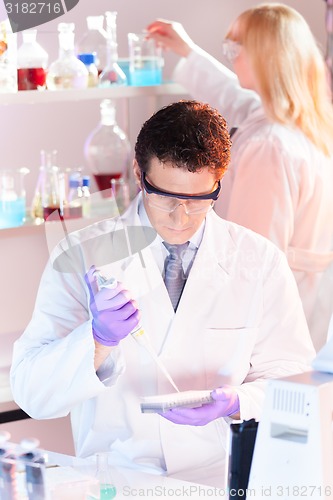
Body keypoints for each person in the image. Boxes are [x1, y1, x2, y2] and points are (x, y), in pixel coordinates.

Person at [10, 100, 315, 487]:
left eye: (199, 200)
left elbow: (294, 379)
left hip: (219, 481)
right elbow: (32, 394)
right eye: (166, 197)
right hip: (116, 481)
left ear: (219, 180)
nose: (180, 217)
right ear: (139, 175)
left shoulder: (259, 261)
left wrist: (239, 402)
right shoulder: (83, 256)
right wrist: (97, 341)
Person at [146, 4, 333, 352]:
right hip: (307, 305)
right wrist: (186, 48)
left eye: (235, 47)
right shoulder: (303, 126)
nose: (230, 57)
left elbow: (250, 255)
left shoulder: (269, 148)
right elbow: (232, 94)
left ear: (266, 56)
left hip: (265, 320)